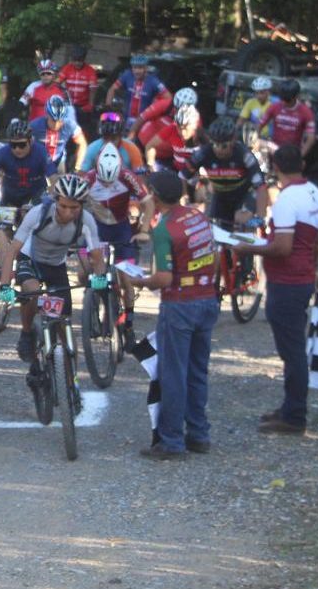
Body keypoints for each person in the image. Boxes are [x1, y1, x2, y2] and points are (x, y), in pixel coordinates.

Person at [234, 145, 318, 435]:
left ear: (275, 167)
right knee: (294, 348)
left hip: (287, 282)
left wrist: (245, 247)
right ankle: (290, 407)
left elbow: (283, 247)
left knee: (292, 351)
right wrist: (317, 269)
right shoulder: (315, 193)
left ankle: (295, 416)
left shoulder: (287, 199)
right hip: (302, 277)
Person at [127, 170, 219, 460]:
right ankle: (199, 434)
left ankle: (171, 441)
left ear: (154, 195)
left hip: (180, 304)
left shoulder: (165, 229)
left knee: (173, 373)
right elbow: (214, 257)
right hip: (207, 300)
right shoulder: (198, 217)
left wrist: (141, 282)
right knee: (196, 370)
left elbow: (164, 278)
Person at [0, 174, 105, 362]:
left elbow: (97, 255)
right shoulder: (38, 213)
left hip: (56, 265)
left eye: (74, 208)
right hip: (31, 259)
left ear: (82, 206)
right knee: (33, 292)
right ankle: (27, 332)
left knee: (65, 327)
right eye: (63, 206)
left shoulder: (86, 220)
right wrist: (5, 285)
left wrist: (100, 278)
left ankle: (72, 382)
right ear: (55, 201)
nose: (68, 213)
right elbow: (12, 250)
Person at [82, 146, 155, 345]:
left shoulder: (128, 176)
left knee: (127, 281)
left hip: (122, 229)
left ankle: (129, 325)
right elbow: (72, 203)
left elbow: (149, 204)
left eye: (111, 180)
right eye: (103, 180)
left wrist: (144, 230)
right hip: (97, 228)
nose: (107, 184)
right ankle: (93, 305)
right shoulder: (88, 178)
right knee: (85, 271)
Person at [182, 118, 268, 231]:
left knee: (241, 219)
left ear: (233, 141)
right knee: (210, 228)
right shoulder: (204, 153)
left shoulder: (244, 155)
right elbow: (182, 177)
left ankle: (252, 233)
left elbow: (261, 187)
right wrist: (184, 200)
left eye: (223, 146)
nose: (218, 150)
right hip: (221, 195)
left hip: (244, 195)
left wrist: (260, 218)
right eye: (214, 144)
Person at [104, 54, 171, 130]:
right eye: (134, 67)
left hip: (143, 123)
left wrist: (156, 104)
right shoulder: (127, 75)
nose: (136, 71)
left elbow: (168, 98)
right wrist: (108, 108)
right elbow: (112, 89)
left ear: (146, 68)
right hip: (125, 120)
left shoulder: (154, 81)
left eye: (140, 68)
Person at [257, 78, 316, 159]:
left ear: (296, 97)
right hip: (274, 150)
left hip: (293, 151)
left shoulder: (306, 112)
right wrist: (258, 140)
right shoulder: (274, 107)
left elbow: (311, 138)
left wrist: (301, 156)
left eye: (287, 100)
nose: (284, 103)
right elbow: (260, 124)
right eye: (282, 99)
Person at [29, 95, 87, 173]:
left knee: (59, 182)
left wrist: (77, 167)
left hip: (59, 160)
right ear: (47, 115)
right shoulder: (34, 125)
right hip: (39, 161)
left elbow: (82, 144)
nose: (56, 124)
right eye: (53, 120)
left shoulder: (70, 125)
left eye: (60, 120)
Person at [133, 87, 199, 150]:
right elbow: (142, 118)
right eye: (176, 107)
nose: (177, 111)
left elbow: (194, 140)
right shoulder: (164, 104)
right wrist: (130, 138)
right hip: (142, 143)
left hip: (165, 156)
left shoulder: (195, 119)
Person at [79, 112, 145, 173]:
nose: (109, 143)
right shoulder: (92, 149)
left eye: (113, 139)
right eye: (106, 138)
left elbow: (141, 179)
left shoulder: (132, 149)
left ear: (120, 136)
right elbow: (82, 175)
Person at [145, 104, 202, 174]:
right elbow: (150, 146)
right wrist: (151, 166)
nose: (182, 132)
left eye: (185, 128)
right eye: (179, 128)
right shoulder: (172, 128)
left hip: (196, 173)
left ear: (194, 126)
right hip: (176, 170)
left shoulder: (200, 134)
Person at [57, 45, 99, 139]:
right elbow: (57, 83)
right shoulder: (67, 68)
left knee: (83, 131)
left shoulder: (90, 71)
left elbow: (93, 89)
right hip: (69, 105)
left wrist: (90, 104)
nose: (77, 63)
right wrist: (60, 95)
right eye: (75, 60)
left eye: (79, 60)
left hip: (83, 107)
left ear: (84, 59)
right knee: (66, 128)